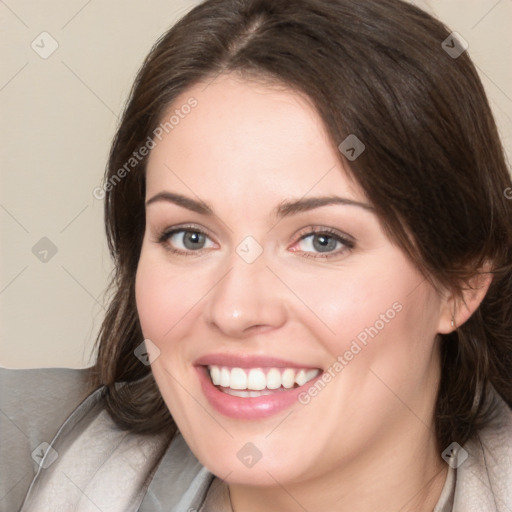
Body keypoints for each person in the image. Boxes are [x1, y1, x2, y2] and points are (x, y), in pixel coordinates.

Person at [1, 0, 511, 510]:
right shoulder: (22, 453)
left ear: (462, 279)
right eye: (190, 237)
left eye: (321, 240)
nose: (235, 310)